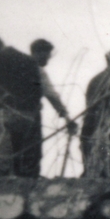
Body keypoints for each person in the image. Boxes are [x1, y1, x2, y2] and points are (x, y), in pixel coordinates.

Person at [0, 33, 44, 178]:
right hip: (28, 117)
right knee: (20, 158)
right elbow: (39, 91)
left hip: (4, 115)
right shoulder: (29, 61)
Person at [27, 40, 79, 177]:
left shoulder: (17, 67)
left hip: (11, 115)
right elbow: (51, 94)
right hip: (30, 117)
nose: (48, 59)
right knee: (32, 153)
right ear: (37, 53)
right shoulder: (37, 69)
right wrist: (66, 117)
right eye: (47, 55)